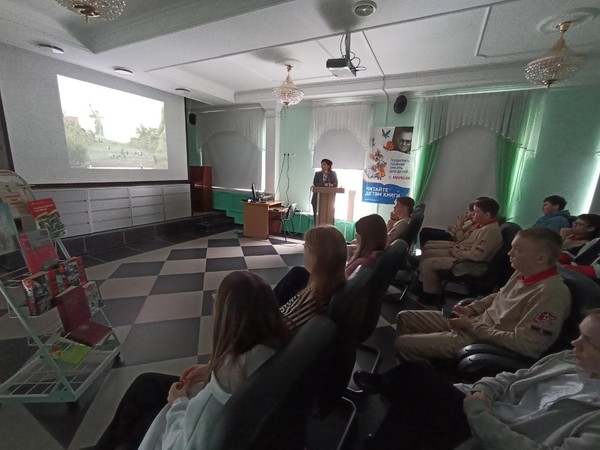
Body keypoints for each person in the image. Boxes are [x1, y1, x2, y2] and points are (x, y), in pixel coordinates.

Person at [95, 271, 290, 450]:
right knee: (145, 383)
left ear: (226, 316)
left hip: (188, 427)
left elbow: (188, 443)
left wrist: (177, 402)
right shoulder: (272, 347)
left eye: (216, 299)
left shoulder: (227, 377)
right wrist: (210, 369)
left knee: (139, 422)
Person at [355, 309, 600, 450]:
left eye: (588, 341)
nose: (574, 343)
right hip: (487, 409)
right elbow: (515, 376)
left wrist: (477, 411)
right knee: (415, 380)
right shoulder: (567, 359)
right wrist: (483, 390)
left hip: (492, 433)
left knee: (418, 383)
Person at [396, 227, 571, 362]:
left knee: (403, 344)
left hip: (483, 341)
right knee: (405, 317)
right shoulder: (523, 272)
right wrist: (473, 308)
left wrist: (472, 326)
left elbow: (527, 345)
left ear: (540, 258)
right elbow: (499, 295)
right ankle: (419, 369)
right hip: (478, 323)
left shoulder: (551, 294)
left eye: (517, 250)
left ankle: (420, 382)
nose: (509, 254)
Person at [417, 197, 503, 305]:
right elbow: (465, 242)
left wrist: (457, 252)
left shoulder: (490, 231)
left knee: (428, 263)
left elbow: (476, 256)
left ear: (487, 215)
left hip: (472, 265)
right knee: (428, 252)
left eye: (476, 212)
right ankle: (422, 284)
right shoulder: (483, 226)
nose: (473, 214)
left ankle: (432, 296)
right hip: (464, 257)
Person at [278, 226, 347, 332]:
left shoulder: (311, 300)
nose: (304, 253)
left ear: (316, 257)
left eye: (305, 248)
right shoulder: (334, 283)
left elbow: (278, 328)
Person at [311, 158, 338, 225]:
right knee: (317, 217)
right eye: (321, 164)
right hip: (317, 198)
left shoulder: (333, 174)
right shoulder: (317, 174)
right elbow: (315, 183)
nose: (322, 166)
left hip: (329, 200)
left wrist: (330, 185)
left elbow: (335, 184)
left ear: (328, 166)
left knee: (329, 215)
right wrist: (324, 184)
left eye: (324, 164)